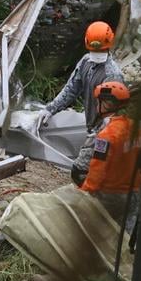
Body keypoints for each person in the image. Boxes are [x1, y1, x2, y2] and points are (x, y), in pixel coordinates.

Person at [39, 21, 125, 176]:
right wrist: (50, 109)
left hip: (103, 132)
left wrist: (97, 136)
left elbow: (110, 115)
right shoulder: (86, 62)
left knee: (83, 172)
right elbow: (71, 89)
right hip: (92, 127)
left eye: (101, 49)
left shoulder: (112, 75)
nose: (97, 53)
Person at [78, 81, 141, 228]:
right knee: (123, 234)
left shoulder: (107, 135)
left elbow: (98, 168)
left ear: (106, 104)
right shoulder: (137, 129)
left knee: (93, 229)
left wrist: (85, 192)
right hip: (134, 193)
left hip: (110, 194)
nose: (96, 106)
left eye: (98, 102)